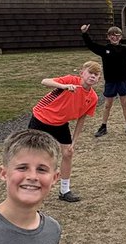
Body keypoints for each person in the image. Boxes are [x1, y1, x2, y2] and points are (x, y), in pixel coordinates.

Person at [27, 60, 101, 203]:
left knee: (68, 153)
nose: (93, 76)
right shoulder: (71, 80)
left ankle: (64, 191)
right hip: (41, 118)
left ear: (99, 79)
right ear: (82, 73)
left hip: (60, 124)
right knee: (32, 154)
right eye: (90, 72)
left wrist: (74, 141)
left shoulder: (93, 98)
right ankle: (29, 187)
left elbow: (81, 119)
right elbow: (45, 81)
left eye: (96, 74)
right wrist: (64, 86)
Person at [80, 24, 126, 137]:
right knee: (107, 105)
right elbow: (91, 45)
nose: (114, 37)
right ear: (108, 37)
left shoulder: (125, 50)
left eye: (117, 35)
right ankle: (103, 126)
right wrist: (84, 33)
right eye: (112, 35)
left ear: (120, 37)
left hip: (122, 81)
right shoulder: (105, 50)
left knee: (125, 103)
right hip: (110, 82)